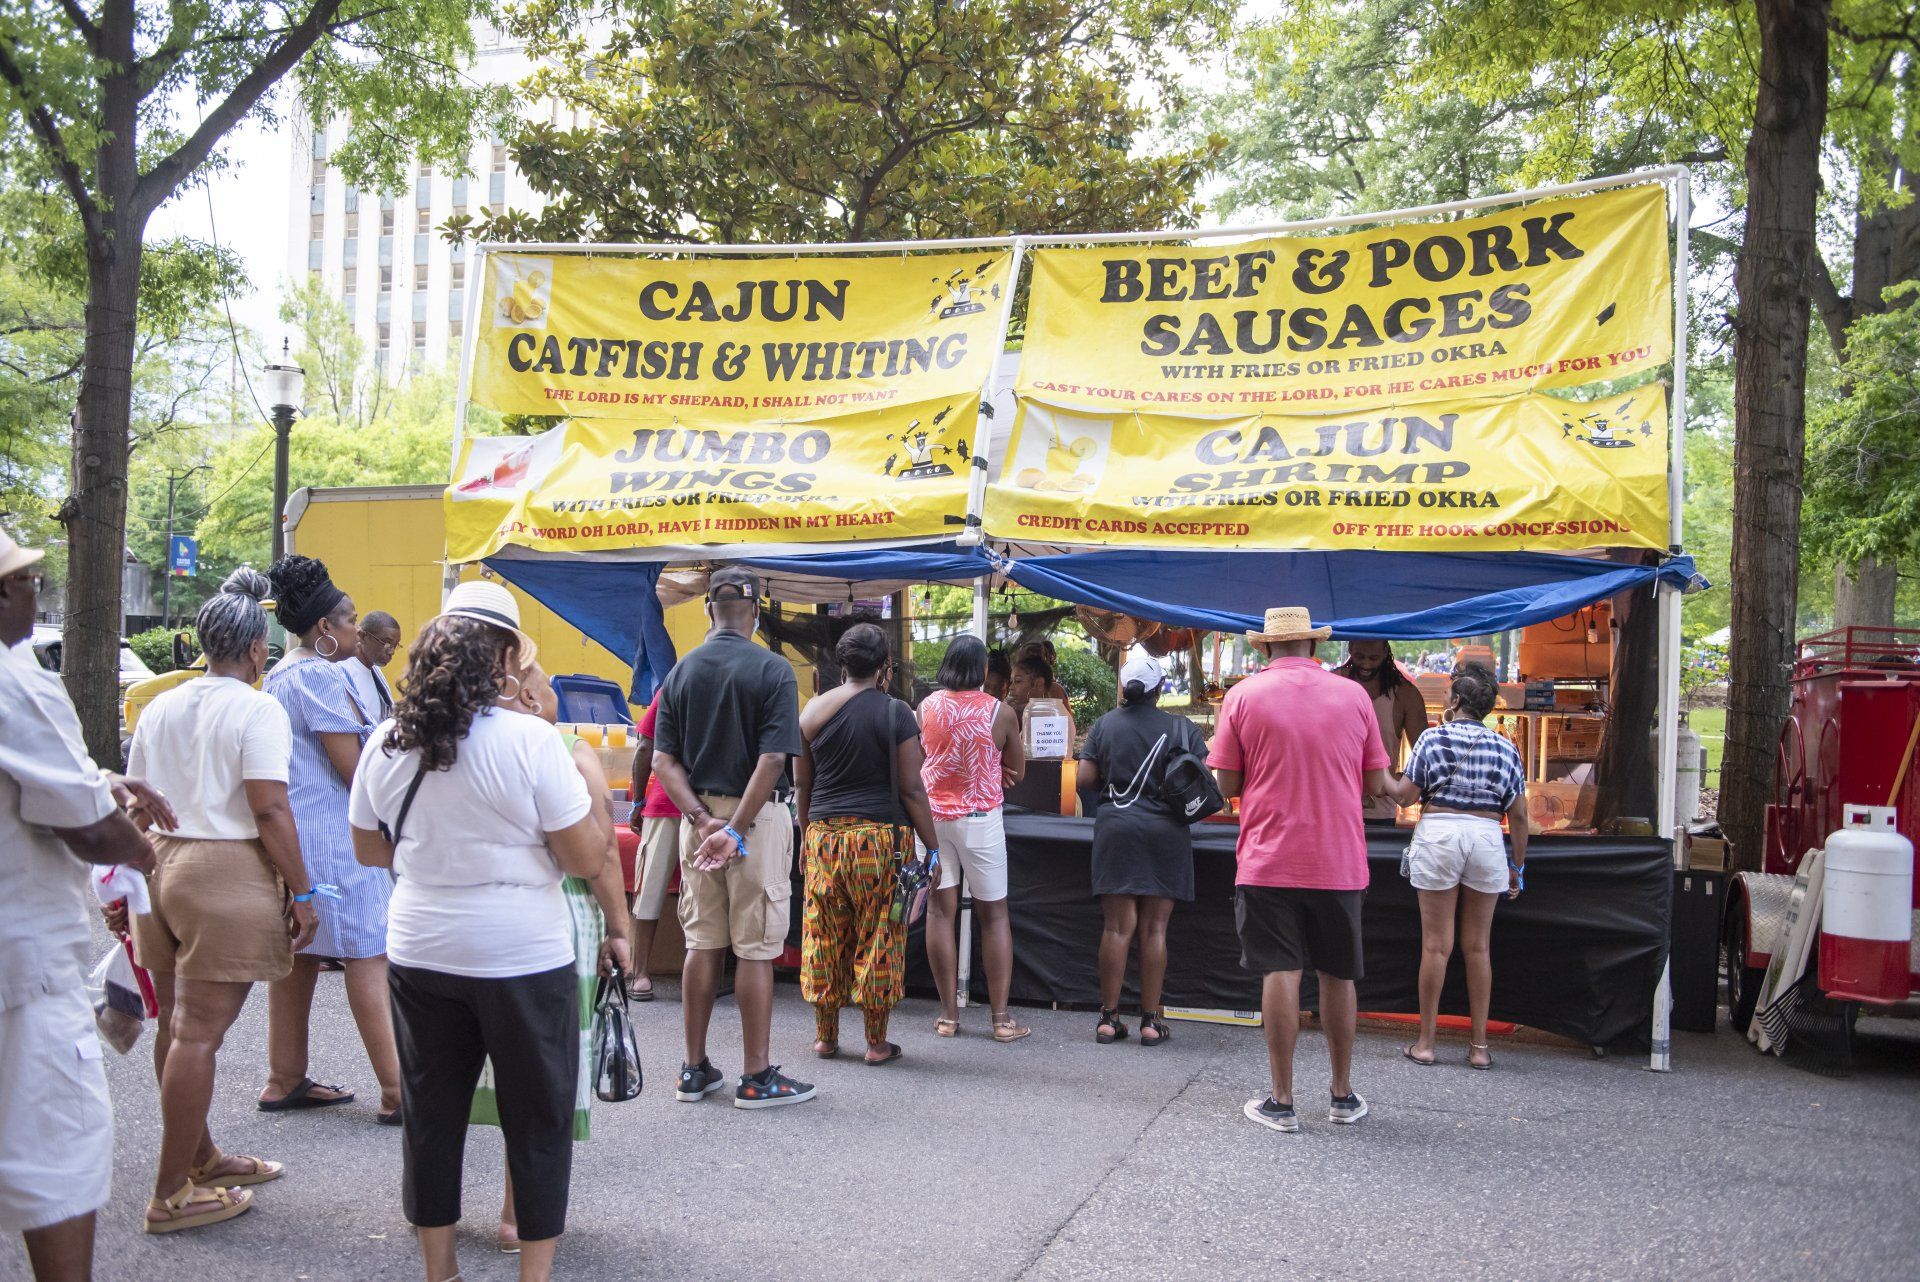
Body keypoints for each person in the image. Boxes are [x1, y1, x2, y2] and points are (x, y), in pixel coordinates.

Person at [348, 582, 612, 1282]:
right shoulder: (532, 741)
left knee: (431, 1115)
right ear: (503, 659)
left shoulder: (386, 740)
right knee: (538, 1120)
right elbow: (585, 858)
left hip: (421, 944)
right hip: (522, 950)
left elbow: (369, 849)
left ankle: (440, 1272)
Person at [124, 569, 324, 1233]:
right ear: (258, 649)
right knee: (198, 1033)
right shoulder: (258, 709)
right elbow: (269, 809)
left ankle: (199, 1157)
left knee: (176, 1027)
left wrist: (120, 878)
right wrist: (304, 891)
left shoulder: (162, 705)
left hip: (160, 864)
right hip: (223, 869)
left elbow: (137, 803)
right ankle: (171, 1192)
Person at [0, 532, 158, 1277]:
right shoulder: (17, 682)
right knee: (59, 1148)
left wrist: (99, 781)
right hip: (22, 963)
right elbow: (90, 830)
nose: (37, 590)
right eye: (28, 579)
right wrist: (140, 851)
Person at [1209, 606, 1399, 1134]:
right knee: (1339, 975)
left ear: (1267, 647)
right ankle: (1341, 1094)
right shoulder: (1354, 696)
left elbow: (1226, 784)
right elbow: (1376, 783)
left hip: (1268, 857)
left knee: (1280, 971)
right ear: (1314, 646)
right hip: (1338, 858)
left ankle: (1282, 1100)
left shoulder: (1243, 696)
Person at [485, 652, 633, 1256]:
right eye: (544, 681)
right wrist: (618, 928)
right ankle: (517, 1215)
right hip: (555, 913)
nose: (553, 692)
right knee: (541, 1068)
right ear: (522, 691)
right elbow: (599, 852)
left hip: (470, 918)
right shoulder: (568, 752)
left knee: (474, 1063)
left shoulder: (458, 744)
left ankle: (440, 1211)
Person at [651, 566, 814, 1109]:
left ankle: (693, 1069)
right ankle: (756, 1075)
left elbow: (663, 760)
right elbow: (773, 759)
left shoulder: (681, 672)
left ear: (708, 610)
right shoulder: (774, 670)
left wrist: (703, 821)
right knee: (756, 948)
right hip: (755, 821)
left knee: (702, 942)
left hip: (698, 821)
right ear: (757, 612)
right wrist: (736, 830)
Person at [259, 555, 401, 1122]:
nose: (356, 630)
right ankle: (398, 1090)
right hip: (336, 840)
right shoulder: (319, 675)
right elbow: (355, 771)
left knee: (302, 954)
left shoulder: (280, 674)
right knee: (369, 951)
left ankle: (284, 1077)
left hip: (300, 837)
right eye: (351, 621)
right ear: (324, 627)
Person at [794, 624, 941, 1063]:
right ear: (885, 666)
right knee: (881, 933)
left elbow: (803, 785)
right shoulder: (897, 713)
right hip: (880, 843)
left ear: (841, 664)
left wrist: (805, 837)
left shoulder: (811, 711)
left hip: (824, 838)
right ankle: (876, 1043)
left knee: (823, 933)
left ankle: (825, 1037)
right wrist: (932, 849)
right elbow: (912, 789)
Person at [1387, 664, 1527, 1070]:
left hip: (1440, 834)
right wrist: (1517, 866)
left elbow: (1404, 796)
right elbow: (1519, 816)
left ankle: (1426, 1044)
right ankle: (1479, 1047)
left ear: (1457, 700)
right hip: (1486, 837)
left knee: (1436, 946)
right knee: (1478, 947)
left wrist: (1378, 772)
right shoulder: (1505, 748)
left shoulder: (1433, 739)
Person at [1076, 654, 1208, 1047]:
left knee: (1117, 928)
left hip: (1116, 831)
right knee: (1154, 929)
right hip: (1166, 833)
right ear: (1158, 689)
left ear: (1124, 687)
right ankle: (1150, 1022)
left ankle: (1108, 1019)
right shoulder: (1182, 728)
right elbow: (1202, 778)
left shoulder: (1104, 725)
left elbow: (1084, 778)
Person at [917, 635, 1029, 1040]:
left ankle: (949, 1016)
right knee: (994, 915)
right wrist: (994, 769)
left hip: (932, 820)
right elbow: (1018, 771)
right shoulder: (1001, 712)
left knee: (939, 913)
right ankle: (1001, 1020)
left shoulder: (925, 707)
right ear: (983, 670)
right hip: (981, 819)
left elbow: (922, 759)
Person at [625, 690, 681, 1002]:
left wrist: (637, 802)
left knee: (649, 891)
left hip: (665, 803)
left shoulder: (673, 686)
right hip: (715, 804)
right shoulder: (735, 684)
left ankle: (640, 973)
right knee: (707, 896)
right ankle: (705, 974)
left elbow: (645, 746)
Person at [1333, 639, 1429, 819]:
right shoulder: (1331, 683)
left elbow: (1425, 754)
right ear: (1350, 648)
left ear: (1385, 652)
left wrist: (1399, 783)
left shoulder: (1405, 694)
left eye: (1374, 658)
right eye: (1360, 656)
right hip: (1334, 807)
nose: (1366, 664)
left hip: (1379, 813)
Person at [345, 610, 401, 725]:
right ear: (362, 636)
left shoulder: (375, 670)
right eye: (386, 643)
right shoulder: (345, 672)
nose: (392, 652)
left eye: (395, 645)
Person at [1008, 653, 1076, 747]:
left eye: (1018, 681)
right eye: (1011, 682)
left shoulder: (1049, 715)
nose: (1011, 687)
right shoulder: (1032, 712)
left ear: (1038, 683)